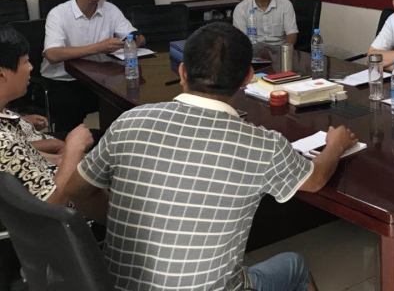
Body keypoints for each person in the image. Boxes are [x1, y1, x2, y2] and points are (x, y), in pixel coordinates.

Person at [65, 22, 358, 291]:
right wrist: (335, 145)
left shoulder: (130, 121)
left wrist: (130, 227)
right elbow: (315, 179)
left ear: (182, 72)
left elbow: (76, 189)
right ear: (248, 78)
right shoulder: (262, 145)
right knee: (296, 265)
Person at [0, 26, 93, 289]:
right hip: (68, 230)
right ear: (2, 73)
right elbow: (53, 208)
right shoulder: (3, 142)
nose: (31, 68)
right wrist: (73, 149)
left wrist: (61, 156)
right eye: (25, 62)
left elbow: (24, 159)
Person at [41, 0, 145, 133]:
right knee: (70, 111)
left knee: (127, 99)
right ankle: (69, 146)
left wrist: (134, 40)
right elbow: (52, 54)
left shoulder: (110, 10)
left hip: (100, 78)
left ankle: (113, 141)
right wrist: (99, 47)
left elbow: (134, 35)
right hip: (64, 80)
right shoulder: (58, 14)